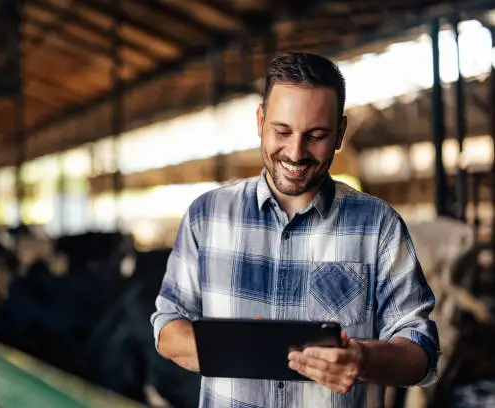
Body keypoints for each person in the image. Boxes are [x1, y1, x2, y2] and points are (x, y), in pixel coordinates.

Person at [150, 52, 439, 407]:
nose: (296, 152)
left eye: (315, 135)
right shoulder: (206, 217)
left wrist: (363, 358)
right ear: (260, 121)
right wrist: (238, 346)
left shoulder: (378, 226)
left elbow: (420, 351)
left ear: (340, 133)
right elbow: (167, 328)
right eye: (281, 131)